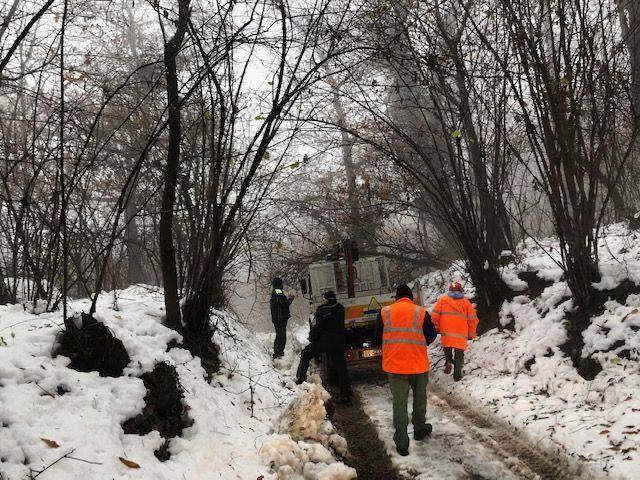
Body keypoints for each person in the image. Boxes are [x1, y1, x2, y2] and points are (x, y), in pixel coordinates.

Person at [376, 284, 437, 456]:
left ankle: (402, 442)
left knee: (399, 403)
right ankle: (419, 428)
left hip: (395, 366)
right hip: (418, 364)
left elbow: (376, 336)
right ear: (411, 297)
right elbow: (431, 336)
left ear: (396, 297)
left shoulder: (385, 312)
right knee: (420, 398)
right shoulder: (420, 312)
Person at [295, 291, 352, 404]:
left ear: (325, 300)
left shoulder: (322, 311)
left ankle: (301, 380)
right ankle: (346, 393)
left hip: (324, 342)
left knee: (306, 353)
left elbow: (317, 328)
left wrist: (312, 338)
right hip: (338, 342)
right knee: (341, 368)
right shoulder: (340, 308)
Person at [430, 281, 479, 382]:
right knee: (459, 354)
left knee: (447, 348)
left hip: (446, 331)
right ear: (461, 290)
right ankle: (457, 376)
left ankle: (448, 360)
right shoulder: (465, 302)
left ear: (450, 290)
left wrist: (436, 327)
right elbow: (473, 320)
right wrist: (472, 333)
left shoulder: (443, 300)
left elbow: (434, 316)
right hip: (461, 333)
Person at [270, 277, 294, 359]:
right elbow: (284, 304)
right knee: (281, 336)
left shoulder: (274, 291)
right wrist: (290, 299)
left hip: (277, 317)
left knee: (279, 335)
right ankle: (278, 353)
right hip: (280, 318)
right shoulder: (278, 291)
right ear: (280, 284)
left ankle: (277, 352)